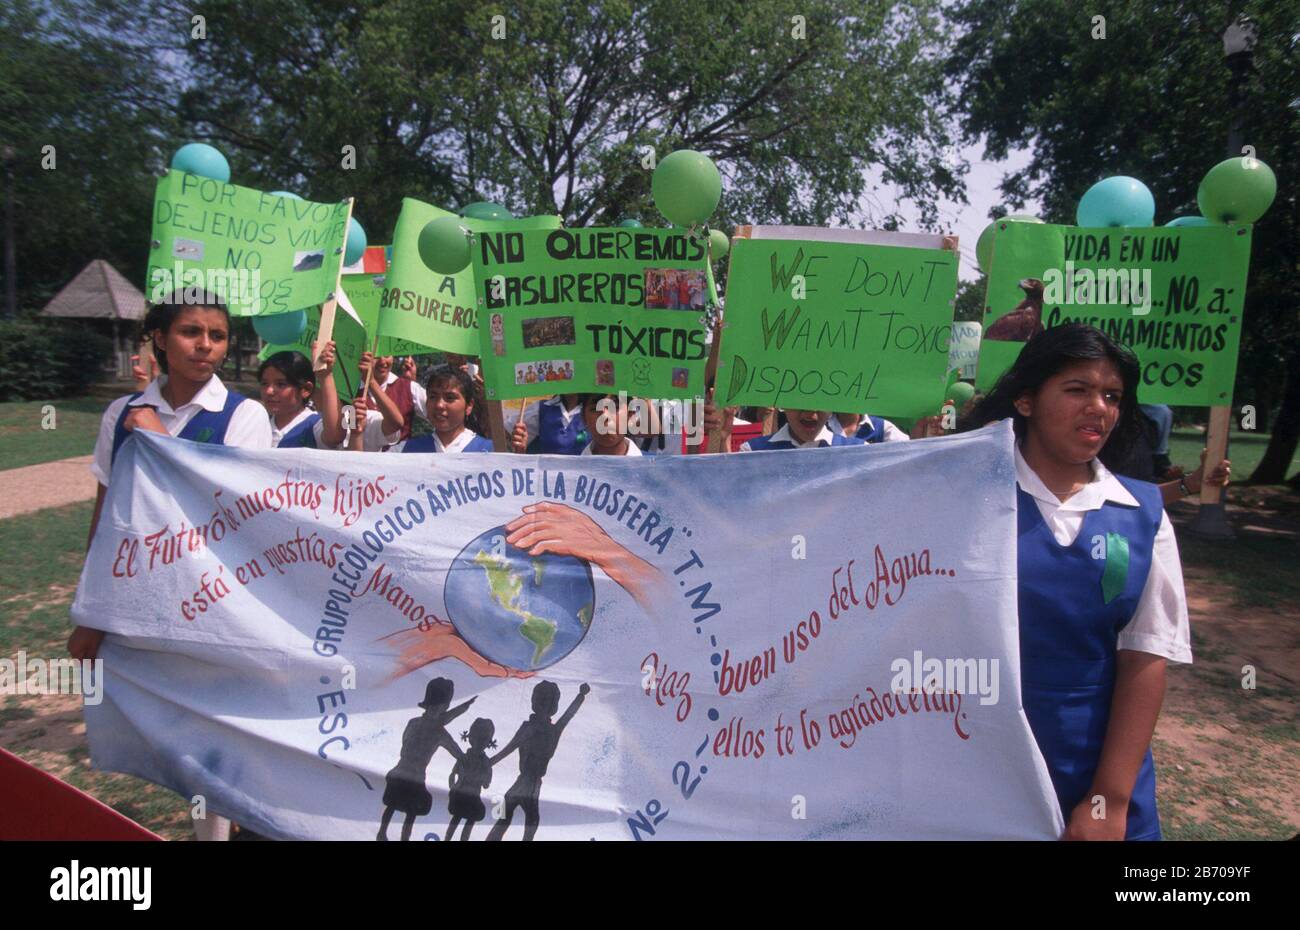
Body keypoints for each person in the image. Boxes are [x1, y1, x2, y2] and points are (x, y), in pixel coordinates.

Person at [964, 322, 1220, 840]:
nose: (1098, 407)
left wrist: (1108, 800)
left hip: (1092, 773)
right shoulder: (962, 497)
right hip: (969, 769)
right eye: (1077, 389)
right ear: (1027, 400)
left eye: (1111, 395)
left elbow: (1145, 659)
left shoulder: (1142, 515)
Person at [68, 292, 272, 842]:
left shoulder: (244, 416)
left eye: (217, 335)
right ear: (160, 337)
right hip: (145, 604)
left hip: (217, 603)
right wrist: (91, 611)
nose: (206, 346)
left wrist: (165, 446)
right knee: (174, 736)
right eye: (191, 332)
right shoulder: (122, 415)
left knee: (222, 734)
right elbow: (108, 514)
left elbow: (238, 513)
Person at [390, 365, 494, 453]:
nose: (439, 405)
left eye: (449, 398)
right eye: (433, 397)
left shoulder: (490, 452)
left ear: (469, 406)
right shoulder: (404, 452)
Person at [258, 344, 345, 449]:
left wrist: (325, 375)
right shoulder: (256, 426)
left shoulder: (314, 426)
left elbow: (334, 436)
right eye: (264, 384)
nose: (269, 391)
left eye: (281, 384)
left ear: (306, 389)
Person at [445, 717, 496, 841]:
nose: (479, 742)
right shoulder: (464, 758)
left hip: (474, 797)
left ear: (488, 742)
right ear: (470, 737)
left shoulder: (485, 762)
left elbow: (486, 783)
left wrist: (482, 777)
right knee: (456, 819)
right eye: (477, 737)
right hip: (460, 794)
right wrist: (453, 787)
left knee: (469, 822)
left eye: (483, 739)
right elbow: (453, 773)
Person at [737, 409, 866, 451]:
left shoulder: (861, 452)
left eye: (819, 403)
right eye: (801, 405)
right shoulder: (751, 453)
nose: (810, 415)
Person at [510, 393, 588, 454]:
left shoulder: (595, 410)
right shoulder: (541, 408)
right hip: (545, 473)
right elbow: (505, 433)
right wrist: (520, 449)